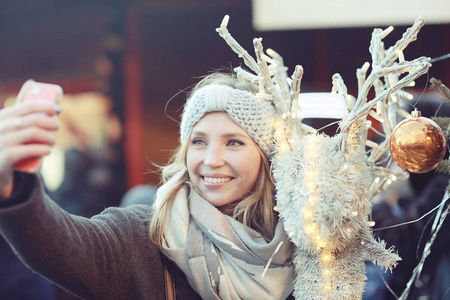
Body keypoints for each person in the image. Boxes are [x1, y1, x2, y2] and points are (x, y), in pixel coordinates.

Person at [0, 72, 295, 300]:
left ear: (266, 156)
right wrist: (11, 187)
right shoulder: (145, 235)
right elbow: (65, 246)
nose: (211, 159)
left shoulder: (305, 247)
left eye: (233, 142)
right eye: (199, 142)